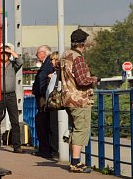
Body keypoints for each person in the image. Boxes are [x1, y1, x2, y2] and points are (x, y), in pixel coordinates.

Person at [61, 28, 98, 173]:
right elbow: (82, 80)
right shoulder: (77, 58)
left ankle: (74, 160)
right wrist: (94, 79)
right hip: (79, 99)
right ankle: (76, 163)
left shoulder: (65, 56)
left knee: (74, 130)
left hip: (68, 98)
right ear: (82, 44)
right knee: (81, 130)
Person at [0, 43, 23, 154]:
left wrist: (11, 51)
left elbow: (21, 62)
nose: (4, 55)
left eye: (6, 54)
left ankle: (17, 146)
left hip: (11, 96)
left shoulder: (13, 65)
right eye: (2, 53)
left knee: (15, 121)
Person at [31, 45, 54, 159]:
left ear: (43, 53)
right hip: (42, 97)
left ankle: (46, 150)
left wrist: (41, 91)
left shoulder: (48, 64)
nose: (36, 56)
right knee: (41, 122)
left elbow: (43, 80)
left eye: (37, 54)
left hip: (44, 98)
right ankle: (44, 149)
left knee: (42, 123)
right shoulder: (47, 64)